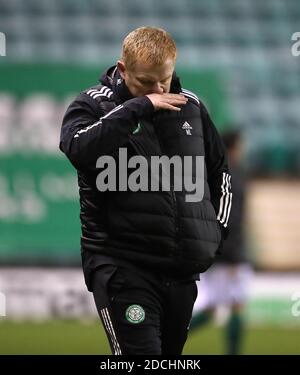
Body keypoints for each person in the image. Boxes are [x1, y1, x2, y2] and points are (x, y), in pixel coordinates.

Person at [59, 26, 232, 355]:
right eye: (145, 82)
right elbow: (77, 147)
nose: (157, 89)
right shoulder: (93, 105)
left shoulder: (192, 107)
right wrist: (139, 107)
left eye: (163, 80)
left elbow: (220, 172)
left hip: (181, 274)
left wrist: (216, 233)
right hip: (124, 269)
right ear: (123, 70)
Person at [190, 129, 251, 355]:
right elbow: (231, 219)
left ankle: (168, 339)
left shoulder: (212, 171)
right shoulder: (233, 176)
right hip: (229, 253)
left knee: (214, 307)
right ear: (235, 147)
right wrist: (234, 255)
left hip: (211, 249)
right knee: (236, 304)